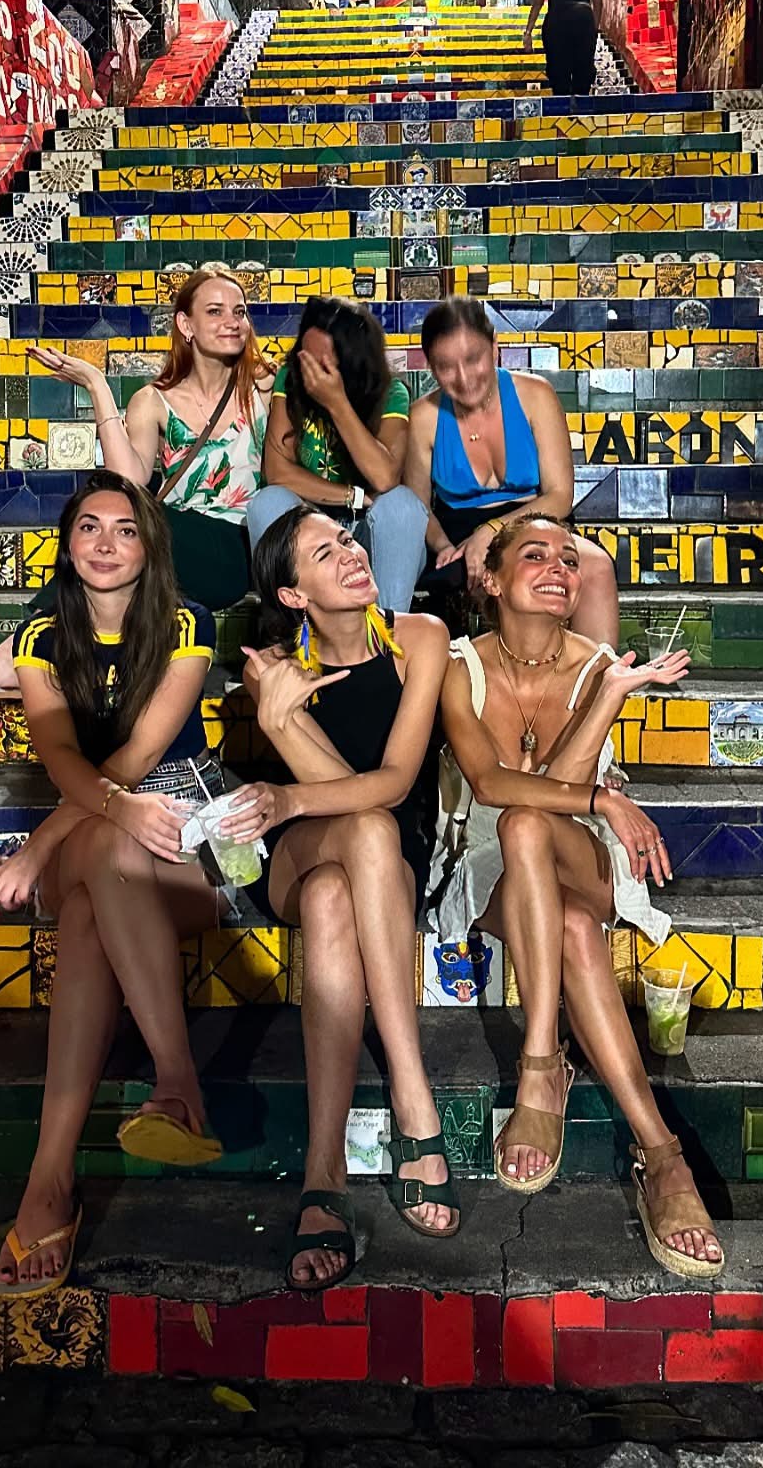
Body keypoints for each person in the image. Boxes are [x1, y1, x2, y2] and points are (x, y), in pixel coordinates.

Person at [0, 470, 271, 1296]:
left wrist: (36, 849)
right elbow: (61, 759)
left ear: (149, 548)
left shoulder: (187, 621)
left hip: (186, 821)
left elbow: (144, 755)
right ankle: (176, 1085)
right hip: (93, 817)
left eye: (125, 529)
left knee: (83, 915)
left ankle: (49, 1184)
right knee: (108, 848)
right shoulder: (41, 635)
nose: (106, 544)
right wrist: (88, 820)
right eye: (89, 528)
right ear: (67, 544)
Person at [434, 514, 724, 1278]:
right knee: (558, 907)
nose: (560, 569)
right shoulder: (456, 665)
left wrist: (608, 698)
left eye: (569, 559)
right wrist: (603, 799)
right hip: (493, 862)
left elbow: (554, 792)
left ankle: (542, 1062)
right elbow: (491, 786)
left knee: (534, 826)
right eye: (535, 556)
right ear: (492, 580)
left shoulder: (599, 665)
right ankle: (662, 1155)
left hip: (579, 851)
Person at [241, 505, 460, 1288]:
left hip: (382, 855)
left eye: (347, 540)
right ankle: (413, 1098)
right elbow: (346, 793)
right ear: (293, 595)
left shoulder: (420, 640)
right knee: (354, 841)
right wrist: (278, 718)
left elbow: (393, 784)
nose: (351, 554)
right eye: (324, 553)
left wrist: (288, 783)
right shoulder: (271, 665)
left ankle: (323, 1176)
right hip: (296, 858)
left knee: (348, 875)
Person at [0, 268, 270, 699]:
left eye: (240, 312)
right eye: (215, 312)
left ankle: (15, 653)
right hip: (170, 544)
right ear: (186, 324)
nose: (232, 322)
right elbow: (127, 482)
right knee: (106, 524)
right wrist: (97, 385)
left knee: (131, 526)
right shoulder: (153, 400)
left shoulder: (263, 388)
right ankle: (47, 654)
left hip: (235, 550)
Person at [403, 297, 620, 648]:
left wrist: (490, 531)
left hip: (534, 519)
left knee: (595, 565)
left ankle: (600, 678)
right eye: (446, 367)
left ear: (494, 348)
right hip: (458, 535)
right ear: (430, 367)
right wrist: (444, 546)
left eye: (473, 359)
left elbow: (560, 496)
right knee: (491, 576)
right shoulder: (423, 417)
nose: (463, 378)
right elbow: (416, 507)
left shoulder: (536, 395)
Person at [247, 297, 430, 614]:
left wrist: (336, 403)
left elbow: (384, 478)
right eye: (306, 357)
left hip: (371, 534)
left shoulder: (391, 393)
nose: (311, 373)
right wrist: (351, 496)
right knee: (268, 501)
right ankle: (291, 630)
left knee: (402, 505)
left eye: (324, 365)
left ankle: (388, 629)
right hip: (311, 526)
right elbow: (277, 471)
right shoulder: (290, 379)